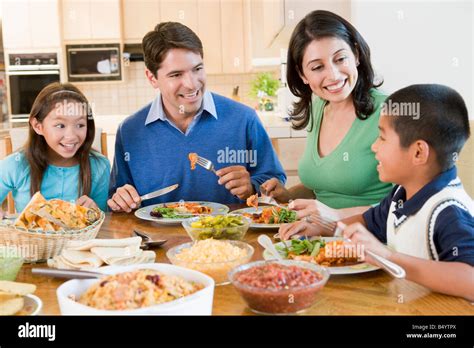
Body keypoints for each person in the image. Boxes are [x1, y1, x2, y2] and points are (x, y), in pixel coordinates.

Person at [280, 84, 474, 300]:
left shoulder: (448, 210)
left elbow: (470, 279)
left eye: (382, 137)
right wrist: (323, 227)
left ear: (418, 152)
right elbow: (366, 222)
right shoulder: (401, 194)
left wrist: (386, 255)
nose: (374, 146)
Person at [108, 22, 285, 213]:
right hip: (155, 240)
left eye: (197, 69)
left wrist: (252, 186)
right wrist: (120, 201)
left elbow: (274, 182)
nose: (191, 84)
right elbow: (116, 199)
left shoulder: (244, 119)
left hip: (228, 239)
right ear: (152, 78)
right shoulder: (129, 131)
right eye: (176, 74)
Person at [261, 10, 392, 219]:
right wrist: (287, 196)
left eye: (340, 59)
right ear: (303, 74)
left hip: (373, 243)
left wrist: (335, 215)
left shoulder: (390, 112)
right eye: (317, 67)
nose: (333, 75)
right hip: (321, 239)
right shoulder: (318, 105)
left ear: (356, 55)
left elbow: (408, 206)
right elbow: (325, 188)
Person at [0, 82, 110, 213]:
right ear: (37, 126)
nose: (71, 136)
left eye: (80, 125)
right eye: (60, 125)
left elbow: (104, 223)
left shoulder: (99, 166)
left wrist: (96, 213)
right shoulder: (16, 164)